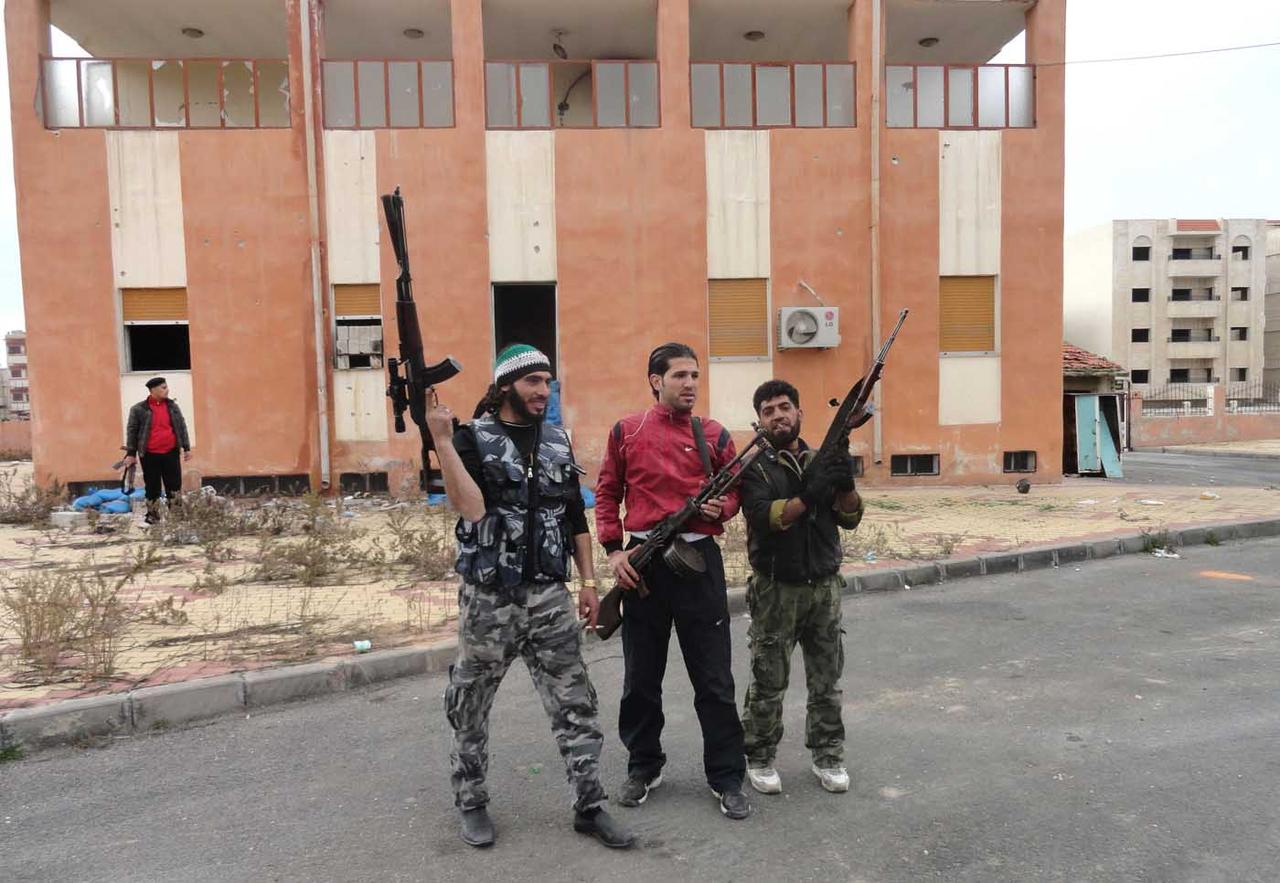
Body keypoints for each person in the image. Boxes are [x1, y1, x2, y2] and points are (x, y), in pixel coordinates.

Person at [426, 344, 634, 850]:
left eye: (548, 382)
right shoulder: (472, 439)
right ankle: (472, 801)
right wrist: (442, 443)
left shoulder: (558, 441)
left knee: (576, 702)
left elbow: (572, 519)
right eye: (533, 381)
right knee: (470, 703)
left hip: (548, 597)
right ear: (505, 387)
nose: (544, 391)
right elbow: (471, 510)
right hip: (489, 601)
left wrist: (587, 584)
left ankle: (590, 805)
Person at [595, 343, 752, 820]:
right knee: (641, 678)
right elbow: (607, 492)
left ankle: (727, 777)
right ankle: (644, 767)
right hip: (642, 567)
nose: (690, 384)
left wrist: (718, 509)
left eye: (695, 376)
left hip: (697, 562)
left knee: (714, 679)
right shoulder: (627, 430)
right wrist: (614, 551)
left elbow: (736, 491)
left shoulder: (715, 434)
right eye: (680, 375)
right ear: (655, 380)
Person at [738, 379, 863, 795]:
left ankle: (828, 756)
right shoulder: (754, 468)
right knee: (769, 680)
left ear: (799, 413)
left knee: (827, 680)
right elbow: (766, 517)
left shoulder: (822, 457)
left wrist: (844, 484)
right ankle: (759, 756)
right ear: (759, 421)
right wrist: (809, 495)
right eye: (769, 410)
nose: (778, 415)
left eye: (784, 407)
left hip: (824, 584)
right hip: (777, 589)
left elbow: (849, 517)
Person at [122, 377, 192, 524]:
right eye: (163, 388)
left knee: (174, 487)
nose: (167, 390)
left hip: (171, 452)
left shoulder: (172, 406)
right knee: (152, 488)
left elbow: (181, 426)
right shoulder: (139, 409)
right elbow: (132, 432)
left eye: (166, 387)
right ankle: (153, 517)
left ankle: (177, 517)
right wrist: (131, 454)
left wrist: (186, 448)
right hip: (149, 454)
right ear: (153, 390)